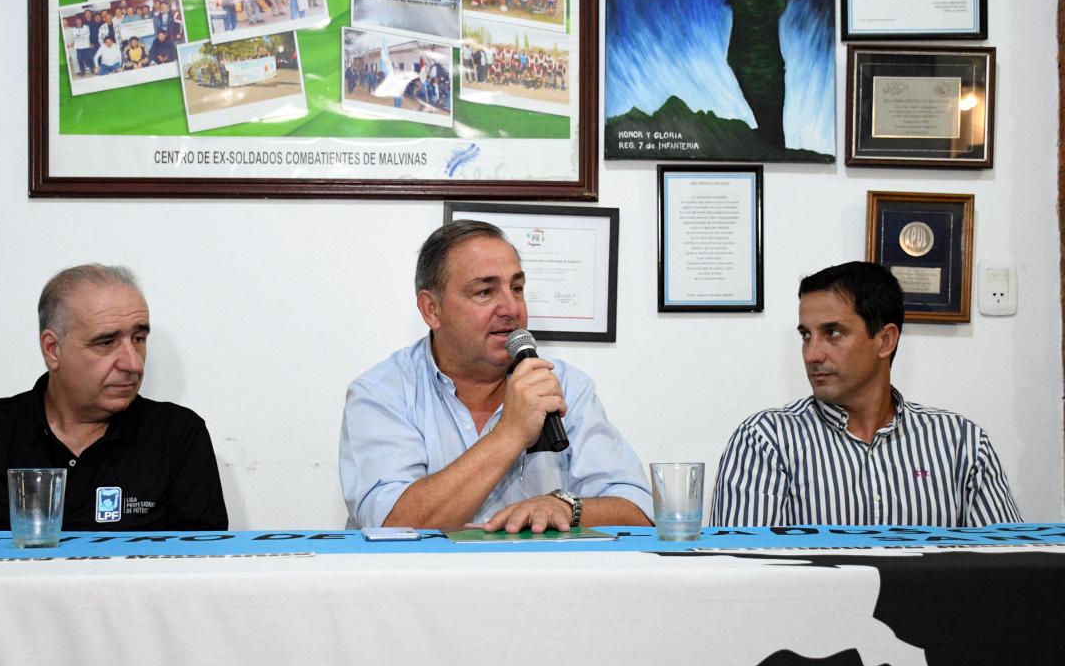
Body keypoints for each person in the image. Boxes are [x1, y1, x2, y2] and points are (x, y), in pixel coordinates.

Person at [340, 220, 652, 532]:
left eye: (517, 288)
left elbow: (639, 511)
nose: (511, 308)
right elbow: (392, 526)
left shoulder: (562, 385)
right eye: (485, 292)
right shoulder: (382, 393)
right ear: (432, 309)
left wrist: (567, 507)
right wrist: (510, 435)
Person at [0, 264, 228, 532]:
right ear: (52, 349)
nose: (133, 363)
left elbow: (201, 570)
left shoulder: (177, 434)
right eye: (106, 343)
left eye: (139, 338)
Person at [710, 261, 1022, 527]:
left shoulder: (961, 444)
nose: (812, 354)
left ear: (885, 340)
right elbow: (743, 570)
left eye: (833, 333)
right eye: (806, 335)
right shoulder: (767, 441)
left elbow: (1006, 566)